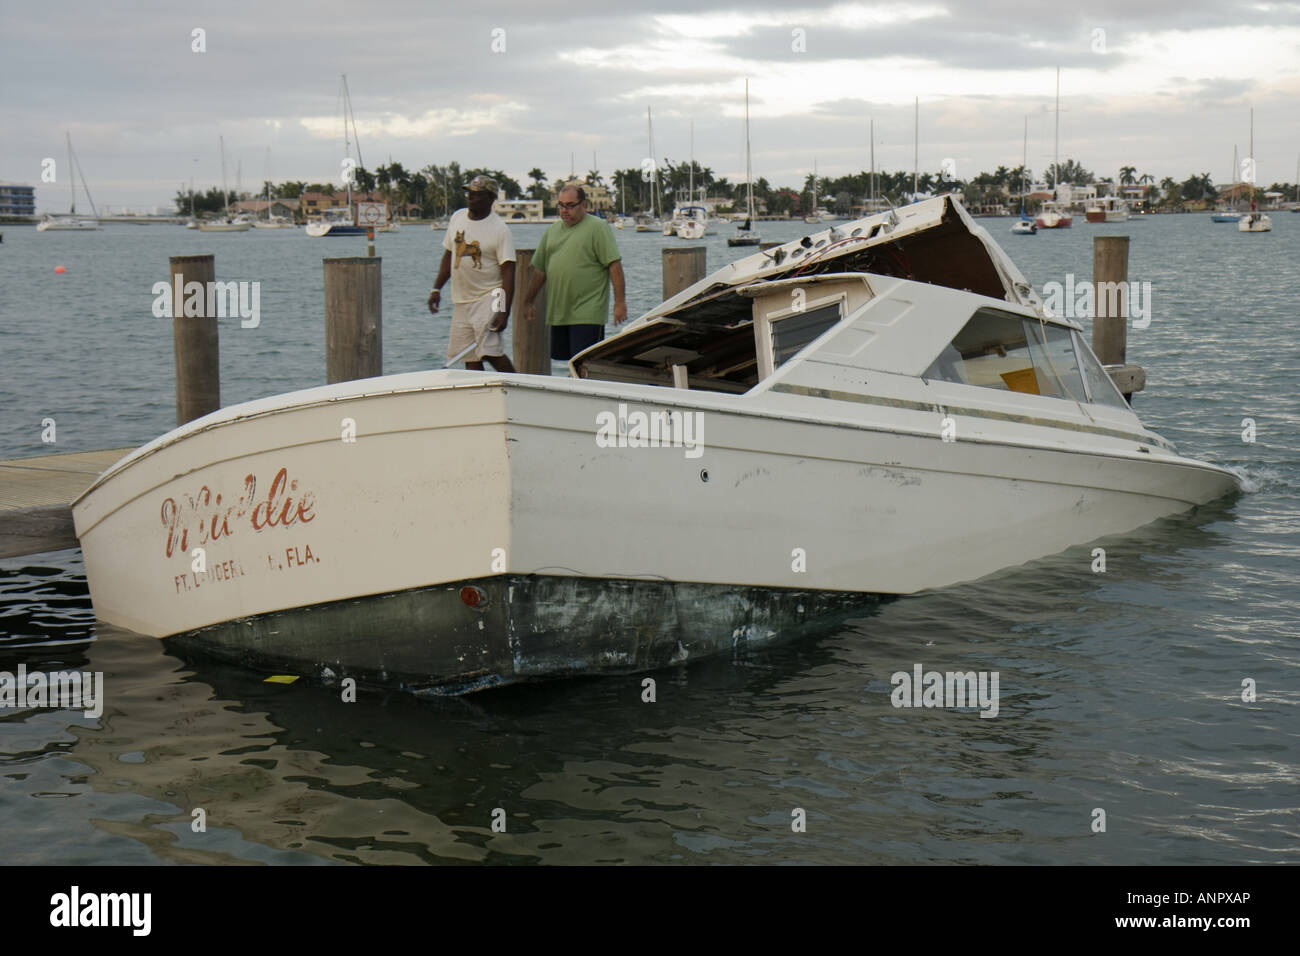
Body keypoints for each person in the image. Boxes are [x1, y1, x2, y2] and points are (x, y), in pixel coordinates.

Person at [522, 184, 627, 361]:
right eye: (561, 205)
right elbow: (540, 270)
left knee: (584, 365)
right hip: (559, 313)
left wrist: (620, 303)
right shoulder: (552, 231)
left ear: (584, 205)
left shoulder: (598, 228)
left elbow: (614, 266)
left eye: (570, 205)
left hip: (588, 313)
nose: (565, 210)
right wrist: (528, 300)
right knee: (566, 363)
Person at [427, 174, 516, 372]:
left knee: (491, 352)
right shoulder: (458, 217)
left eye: (477, 194)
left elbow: (509, 273)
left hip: (489, 297)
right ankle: (479, 397)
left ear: (491, 198)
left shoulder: (500, 230)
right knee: (469, 356)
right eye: (469, 193)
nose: (470, 197)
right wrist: (436, 288)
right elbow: (449, 255)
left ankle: (520, 389)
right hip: (462, 300)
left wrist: (503, 311)